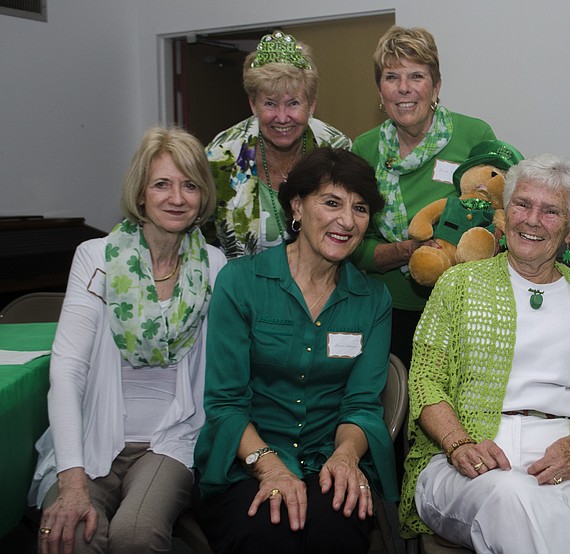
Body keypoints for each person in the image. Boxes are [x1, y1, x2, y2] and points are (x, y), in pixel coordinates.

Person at [399, 154, 570, 553]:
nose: (531, 219)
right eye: (522, 204)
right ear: (504, 216)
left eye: (550, 211)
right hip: (465, 460)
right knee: (513, 497)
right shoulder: (459, 284)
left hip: (568, 464)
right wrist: (458, 443)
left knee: (536, 515)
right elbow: (425, 380)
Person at [28, 126, 226, 553]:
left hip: (172, 439)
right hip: (92, 435)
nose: (177, 198)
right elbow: (67, 371)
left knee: (136, 533)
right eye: (162, 184)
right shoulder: (96, 257)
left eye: (190, 185)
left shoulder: (213, 265)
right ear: (140, 194)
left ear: (203, 196)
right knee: (72, 535)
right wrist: (72, 481)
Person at [193, 147, 398, 554]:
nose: (347, 220)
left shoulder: (373, 300)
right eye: (331, 202)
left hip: (330, 459)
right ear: (297, 206)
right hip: (247, 462)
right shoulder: (241, 283)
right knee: (269, 533)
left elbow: (361, 405)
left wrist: (344, 457)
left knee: (333, 533)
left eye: (360, 208)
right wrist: (270, 468)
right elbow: (226, 403)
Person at [350, 25, 498, 367]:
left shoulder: (475, 135)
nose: (404, 88)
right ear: (379, 89)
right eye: (391, 77)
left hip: (461, 310)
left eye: (416, 76)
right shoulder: (364, 147)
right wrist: (405, 251)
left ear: (436, 86)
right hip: (384, 312)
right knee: (393, 411)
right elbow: (353, 241)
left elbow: (496, 220)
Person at [205, 30, 351, 259]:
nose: (282, 117)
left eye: (293, 103)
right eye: (270, 103)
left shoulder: (337, 148)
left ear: (311, 105)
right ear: (253, 105)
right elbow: (198, 234)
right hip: (244, 290)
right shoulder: (221, 154)